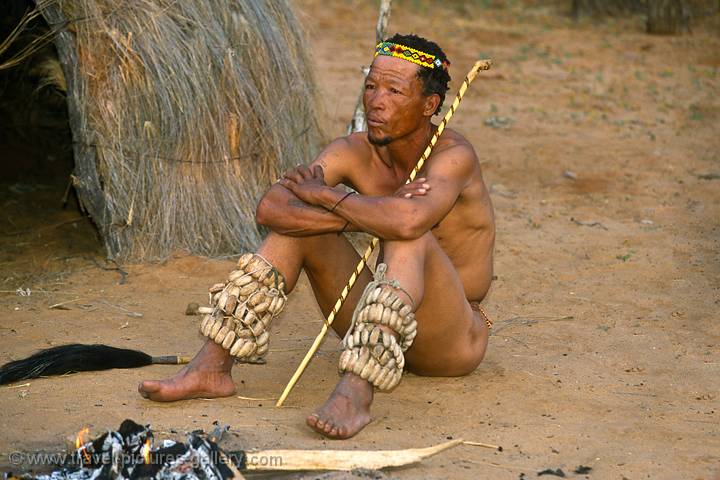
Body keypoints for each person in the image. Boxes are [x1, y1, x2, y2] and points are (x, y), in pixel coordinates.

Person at [139, 33, 495, 440]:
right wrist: (354, 216)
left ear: (430, 105)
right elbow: (271, 208)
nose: (376, 101)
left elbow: (409, 222)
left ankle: (355, 392)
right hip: (372, 322)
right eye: (371, 85)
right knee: (299, 229)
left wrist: (326, 199)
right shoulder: (352, 150)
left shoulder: (453, 155)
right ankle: (211, 367)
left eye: (394, 91)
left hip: (449, 338)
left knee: (409, 235)